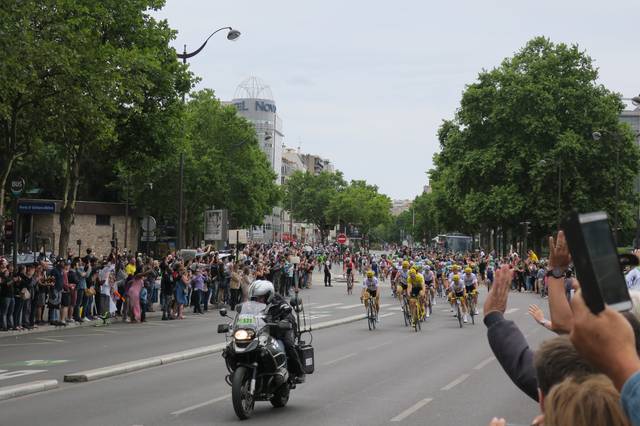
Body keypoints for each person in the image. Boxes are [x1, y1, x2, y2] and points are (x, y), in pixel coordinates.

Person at [248, 280, 306, 383]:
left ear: (268, 295)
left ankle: (299, 371)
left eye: (260, 297)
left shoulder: (278, 302)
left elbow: (288, 314)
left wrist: (284, 321)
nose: (258, 300)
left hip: (283, 328)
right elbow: (245, 314)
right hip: (263, 329)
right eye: (255, 298)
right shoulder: (253, 304)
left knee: (288, 344)